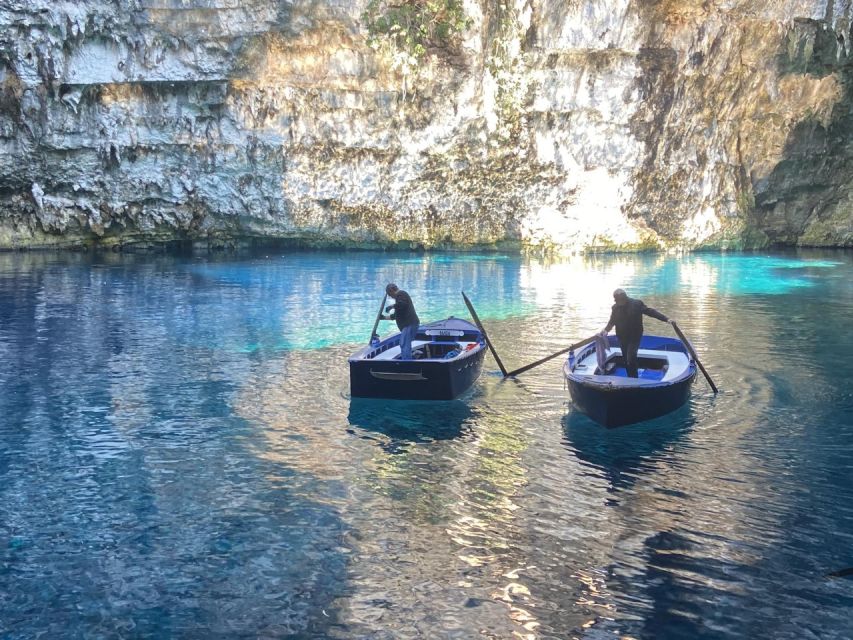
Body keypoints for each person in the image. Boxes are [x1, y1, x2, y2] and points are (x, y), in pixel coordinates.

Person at [601, 288, 675, 378]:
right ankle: (630, 377)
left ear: (623, 298)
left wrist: (666, 319)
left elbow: (650, 312)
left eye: (618, 300)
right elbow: (612, 321)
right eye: (616, 300)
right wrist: (606, 330)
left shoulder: (636, 304)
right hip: (621, 336)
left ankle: (634, 379)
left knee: (630, 358)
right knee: (626, 359)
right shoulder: (615, 307)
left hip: (634, 336)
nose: (617, 302)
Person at [380, 283, 420, 360]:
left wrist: (392, 306)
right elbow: (395, 316)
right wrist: (384, 317)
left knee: (404, 344)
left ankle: (406, 363)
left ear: (391, 290)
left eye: (389, 294)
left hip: (409, 324)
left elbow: (403, 304)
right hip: (409, 325)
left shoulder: (401, 294)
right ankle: (407, 360)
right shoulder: (399, 300)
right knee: (404, 344)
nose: (390, 297)